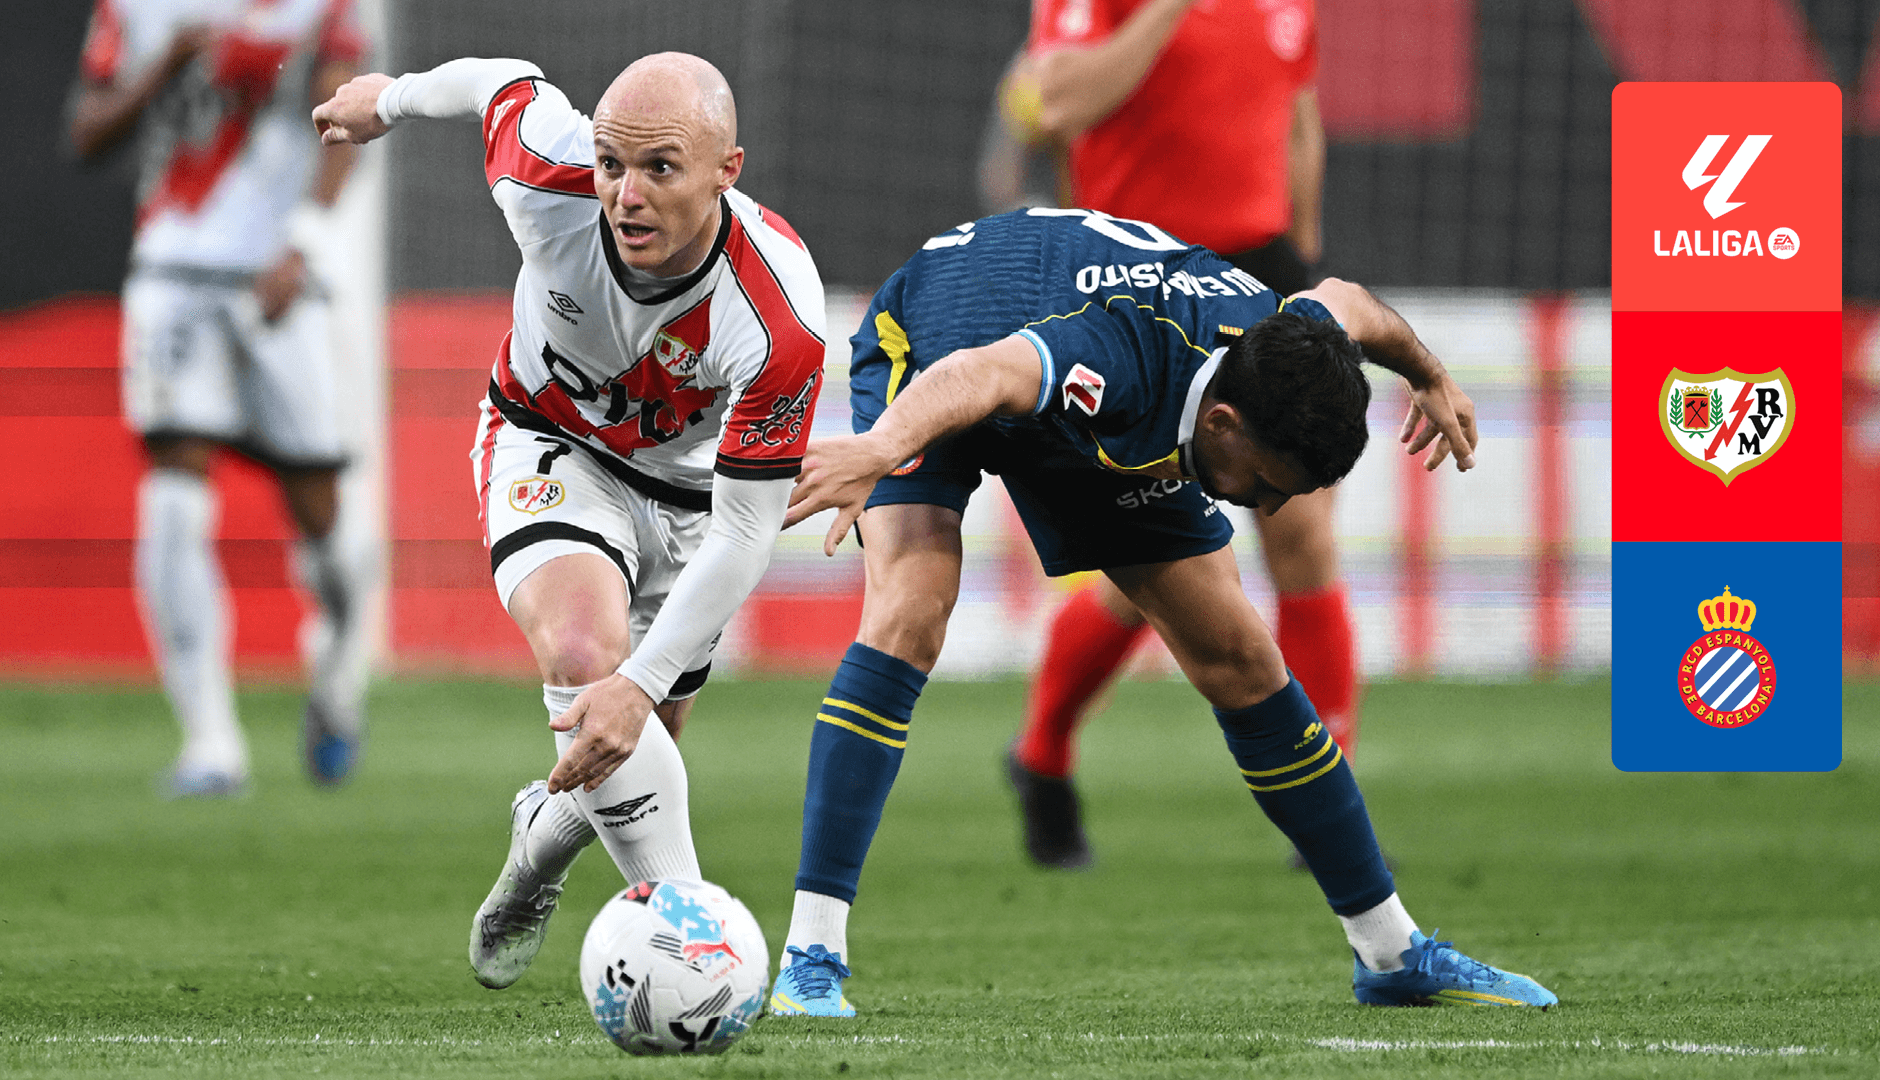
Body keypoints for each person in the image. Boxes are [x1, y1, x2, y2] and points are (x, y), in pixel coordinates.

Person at [769, 207, 1556, 1015]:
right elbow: (986, 374)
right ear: (1222, 422)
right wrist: (879, 447)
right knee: (912, 610)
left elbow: (1351, 302)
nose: (1270, 507)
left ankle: (1391, 953)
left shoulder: (1282, 335)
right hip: (942, 339)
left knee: (1241, 660)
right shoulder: (1120, 354)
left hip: (1087, 402)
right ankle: (810, 956)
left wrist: (1427, 374)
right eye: (1268, 482)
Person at [312, 52, 826, 989]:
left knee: (629, 733)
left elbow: (749, 532)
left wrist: (645, 685)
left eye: (661, 168)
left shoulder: (778, 315)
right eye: (612, 165)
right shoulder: (548, 174)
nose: (627, 195)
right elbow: (498, 80)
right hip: (548, 442)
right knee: (588, 660)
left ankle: (539, 845)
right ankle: (694, 953)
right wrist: (388, 101)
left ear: (727, 171)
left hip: (693, 505)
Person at [1005, 0, 1354, 869]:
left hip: (1262, 270)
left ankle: (1329, 797)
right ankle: (1042, 755)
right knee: (1151, 564)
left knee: (1304, 532)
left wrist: (1304, 255)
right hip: (1141, 283)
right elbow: (1057, 104)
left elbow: (1300, 119)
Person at [70, 0, 375, 795]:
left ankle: (337, 679)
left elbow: (347, 118)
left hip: (282, 278)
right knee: (173, 490)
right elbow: (87, 132)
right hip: (172, 272)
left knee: (323, 512)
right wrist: (163, 68)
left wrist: (305, 243)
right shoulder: (134, 9)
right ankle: (210, 744)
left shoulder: (319, 7)